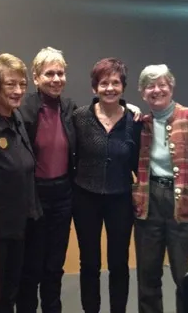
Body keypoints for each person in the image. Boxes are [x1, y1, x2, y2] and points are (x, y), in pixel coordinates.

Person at [132, 64, 188, 313]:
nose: (156, 90)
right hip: (148, 206)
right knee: (147, 278)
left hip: (184, 207)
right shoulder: (141, 123)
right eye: (150, 85)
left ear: (171, 87)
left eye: (162, 84)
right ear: (142, 92)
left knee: (187, 278)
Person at [72, 58, 141, 313]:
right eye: (103, 83)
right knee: (89, 263)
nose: (109, 88)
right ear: (94, 88)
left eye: (115, 82)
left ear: (123, 87)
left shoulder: (134, 121)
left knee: (119, 263)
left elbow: (138, 162)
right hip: (85, 198)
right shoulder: (79, 117)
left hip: (120, 199)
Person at [16, 47, 76, 313]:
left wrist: (125, 106)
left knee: (54, 266)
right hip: (34, 196)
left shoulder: (70, 108)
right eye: (49, 73)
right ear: (36, 77)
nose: (56, 79)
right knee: (31, 268)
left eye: (60, 73)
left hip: (63, 196)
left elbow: (99, 115)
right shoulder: (23, 108)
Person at [0, 54, 39, 313]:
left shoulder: (15, 118)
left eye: (22, 84)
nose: (18, 91)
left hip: (19, 223)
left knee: (12, 290)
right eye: (10, 85)